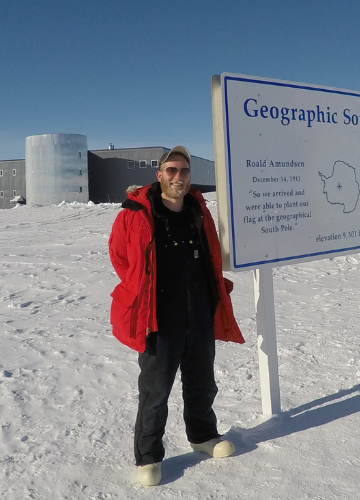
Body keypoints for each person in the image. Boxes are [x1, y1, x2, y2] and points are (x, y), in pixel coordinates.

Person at [108, 145, 245, 486]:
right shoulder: (136, 212)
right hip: (158, 313)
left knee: (202, 381)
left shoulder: (198, 208)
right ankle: (149, 457)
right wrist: (142, 289)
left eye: (183, 171)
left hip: (198, 307)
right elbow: (120, 257)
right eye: (171, 171)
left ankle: (203, 436)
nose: (178, 177)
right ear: (159, 175)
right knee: (156, 390)